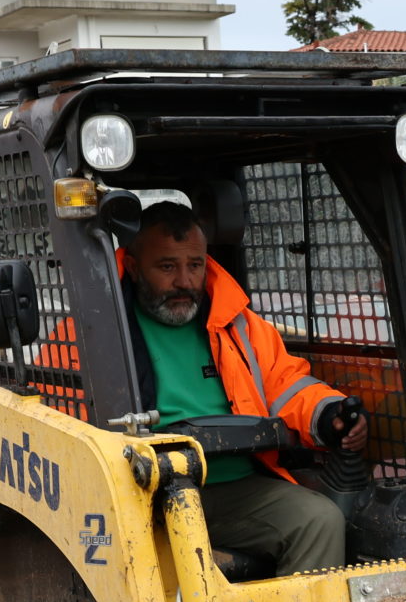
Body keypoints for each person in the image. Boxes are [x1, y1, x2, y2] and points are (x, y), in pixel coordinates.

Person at [113, 202, 365, 576]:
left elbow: (288, 384)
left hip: (234, 488)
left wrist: (328, 414)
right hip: (141, 495)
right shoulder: (91, 332)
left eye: (194, 265)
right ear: (133, 267)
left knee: (318, 519)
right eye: (167, 267)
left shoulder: (238, 325)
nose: (184, 281)